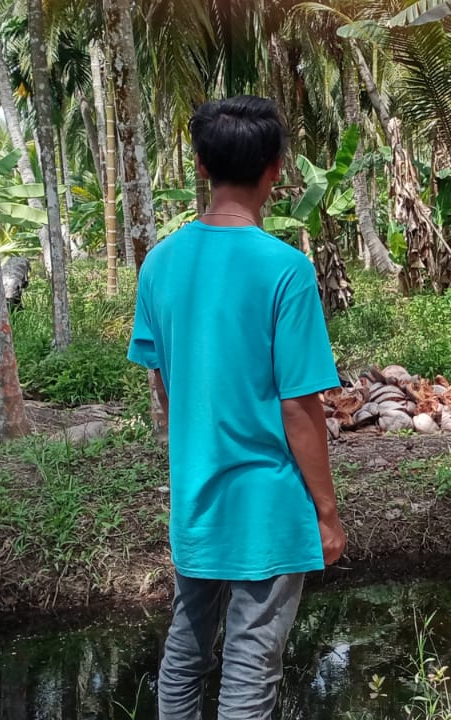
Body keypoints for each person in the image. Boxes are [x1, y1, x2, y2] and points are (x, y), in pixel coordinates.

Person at [127, 96, 347, 720]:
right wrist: (327, 514)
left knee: (185, 649)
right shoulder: (286, 270)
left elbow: (167, 389)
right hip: (267, 505)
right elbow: (299, 408)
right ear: (276, 169)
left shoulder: (160, 263)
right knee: (251, 667)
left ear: (201, 164)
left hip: (195, 498)